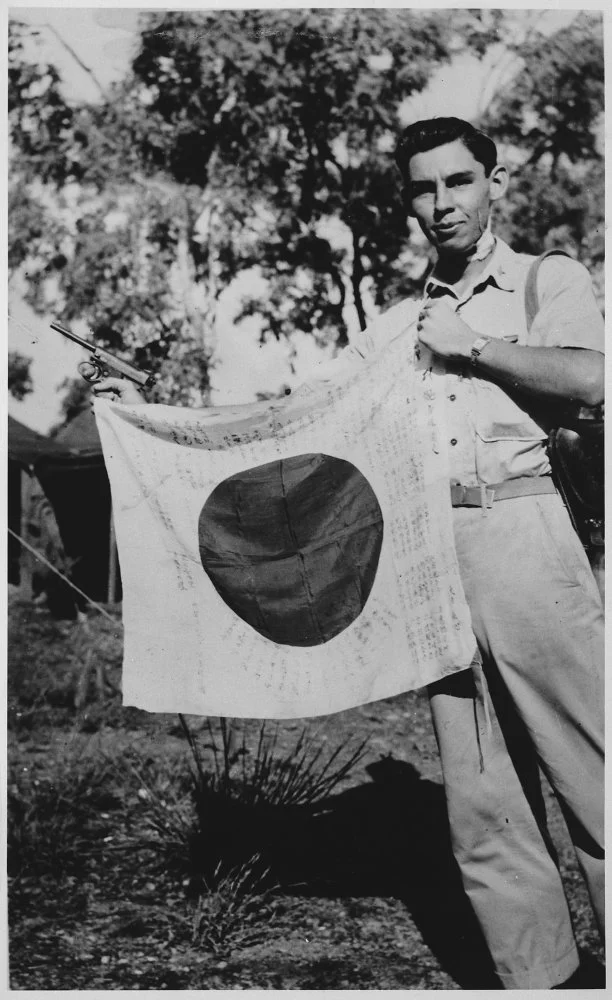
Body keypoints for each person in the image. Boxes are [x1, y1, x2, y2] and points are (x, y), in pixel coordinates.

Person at [93, 117, 604, 990]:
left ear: (495, 181)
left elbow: (593, 378)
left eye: (458, 182)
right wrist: (156, 411)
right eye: (423, 188)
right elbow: (296, 414)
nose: (442, 204)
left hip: (526, 542)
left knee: (593, 777)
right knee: (486, 811)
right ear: (407, 200)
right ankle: (543, 983)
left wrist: (474, 348)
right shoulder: (400, 323)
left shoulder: (543, 279)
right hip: (433, 563)